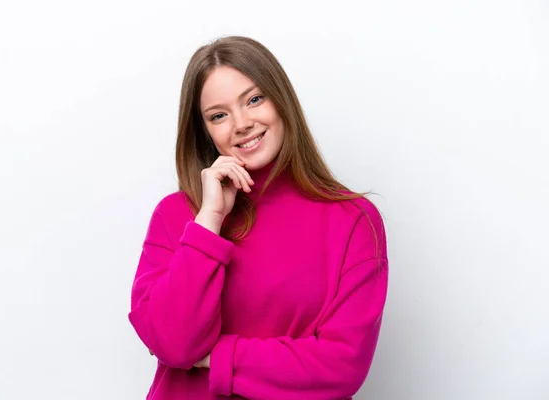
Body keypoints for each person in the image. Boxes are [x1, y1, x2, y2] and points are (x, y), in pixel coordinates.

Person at [128, 36, 388, 400]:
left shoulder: (353, 220)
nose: (242, 124)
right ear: (204, 130)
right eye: (219, 115)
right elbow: (173, 343)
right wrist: (210, 220)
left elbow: (342, 367)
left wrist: (217, 358)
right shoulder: (178, 216)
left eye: (254, 99)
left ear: (281, 101)